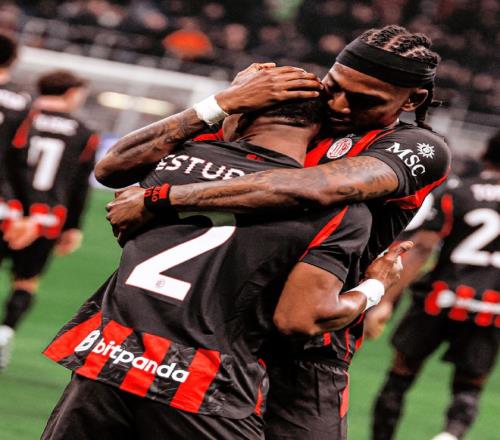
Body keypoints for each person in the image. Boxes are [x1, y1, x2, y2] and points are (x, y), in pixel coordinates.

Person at [101, 25, 451, 438]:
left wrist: (162, 197)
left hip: (305, 350)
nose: (338, 105)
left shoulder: (418, 147)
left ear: (412, 100)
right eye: (333, 86)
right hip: (207, 328)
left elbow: (325, 186)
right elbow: (113, 168)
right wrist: (220, 104)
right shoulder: (294, 107)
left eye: (364, 100)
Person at [41, 97, 407, 439]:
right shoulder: (340, 210)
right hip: (203, 388)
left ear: (238, 117)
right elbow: (299, 320)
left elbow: (115, 184)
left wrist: (217, 104)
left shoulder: (177, 161)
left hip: (106, 361)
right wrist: (374, 287)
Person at [370, 131, 500, 440]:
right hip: (490, 308)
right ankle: (449, 436)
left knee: (399, 378)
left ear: (485, 153)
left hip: (439, 298)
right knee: (469, 388)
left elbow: (424, 247)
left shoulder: (458, 192)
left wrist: (385, 300)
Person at [0, 70, 99, 369]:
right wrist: (73, 227)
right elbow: (79, 185)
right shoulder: (84, 133)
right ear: (71, 93)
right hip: (46, 218)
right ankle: (4, 334)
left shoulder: (21, 115)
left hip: (8, 210)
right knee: (26, 280)